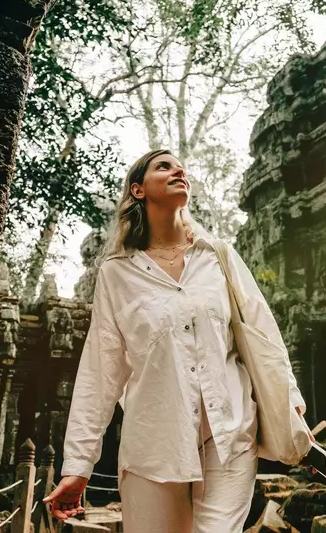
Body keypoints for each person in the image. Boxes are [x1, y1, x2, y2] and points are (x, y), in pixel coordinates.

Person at [42, 149, 308, 532]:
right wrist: (79, 466)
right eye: (163, 166)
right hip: (154, 444)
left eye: (179, 166)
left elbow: (263, 330)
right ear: (137, 189)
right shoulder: (117, 274)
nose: (177, 169)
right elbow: (100, 372)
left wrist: (290, 402)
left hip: (229, 434)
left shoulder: (217, 255)